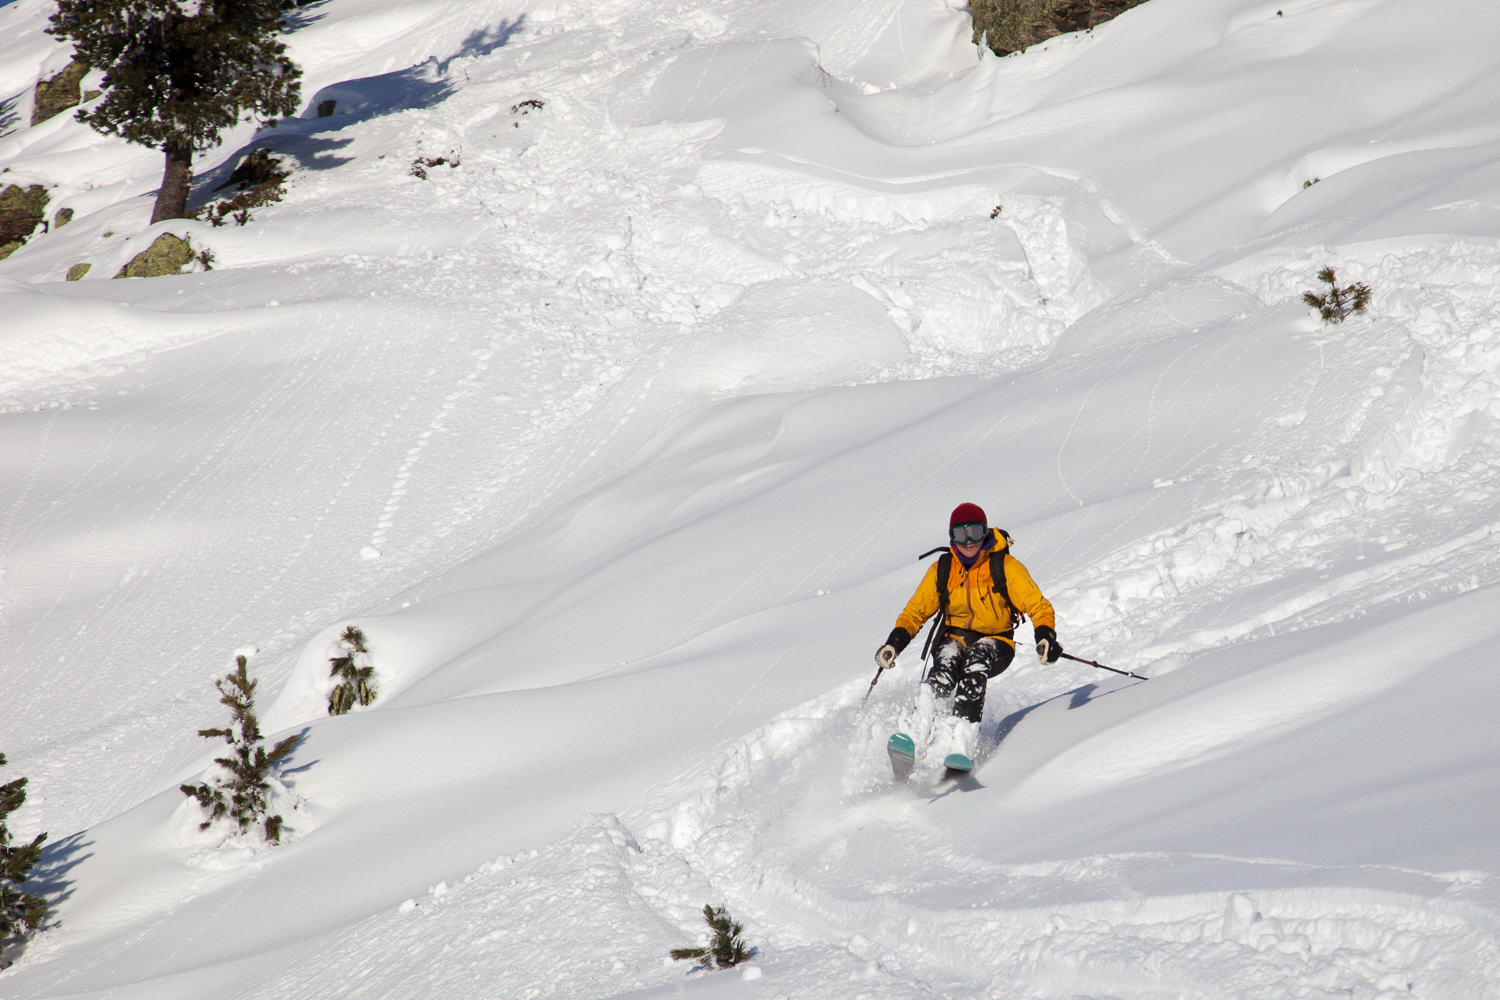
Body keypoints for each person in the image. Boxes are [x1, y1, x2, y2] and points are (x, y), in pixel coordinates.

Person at [873, 503, 1061, 756]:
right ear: (952, 537)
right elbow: (914, 612)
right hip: (954, 639)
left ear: (985, 532)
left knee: (977, 662)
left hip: (997, 642)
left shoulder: (1005, 566)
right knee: (944, 668)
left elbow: (1038, 606)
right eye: (961, 534)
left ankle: (960, 742)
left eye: (975, 531)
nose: (969, 540)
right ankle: (917, 734)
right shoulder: (943, 569)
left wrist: (1045, 636)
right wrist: (893, 644)